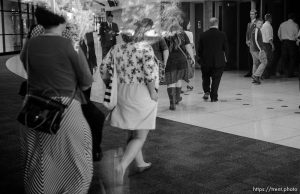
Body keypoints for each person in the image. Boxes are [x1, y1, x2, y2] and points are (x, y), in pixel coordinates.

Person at [19, 6, 93, 193]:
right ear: (63, 19)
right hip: (64, 112)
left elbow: (28, 69)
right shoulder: (70, 44)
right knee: (76, 164)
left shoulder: (31, 44)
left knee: (39, 164)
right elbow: (86, 82)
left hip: (33, 109)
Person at [100, 18, 159, 184]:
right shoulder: (144, 48)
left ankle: (140, 162)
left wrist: (112, 86)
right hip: (141, 93)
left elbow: (103, 70)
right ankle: (122, 166)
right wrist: (153, 93)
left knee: (132, 129)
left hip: (123, 93)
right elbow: (148, 74)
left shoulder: (116, 48)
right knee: (140, 135)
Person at [164, 20, 195, 110]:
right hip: (182, 60)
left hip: (170, 61)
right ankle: (177, 98)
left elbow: (163, 49)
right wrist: (192, 58)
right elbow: (188, 46)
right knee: (178, 79)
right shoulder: (182, 34)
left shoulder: (165, 36)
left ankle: (172, 103)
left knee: (171, 81)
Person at [198, 17, 228, 102]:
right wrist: (226, 58)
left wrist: (201, 59)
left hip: (205, 61)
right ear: (217, 24)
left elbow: (199, 49)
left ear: (209, 24)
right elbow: (226, 48)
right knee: (216, 79)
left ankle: (206, 91)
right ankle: (214, 97)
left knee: (205, 77)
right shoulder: (222, 34)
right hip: (218, 61)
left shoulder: (203, 35)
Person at [142, 18, 169, 85]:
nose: (144, 27)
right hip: (144, 64)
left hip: (155, 63)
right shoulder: (140, 36)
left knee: (153, 84)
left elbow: (165, 49)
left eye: (145, 26)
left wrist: (164, 63)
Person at [277, 13, 299, 77]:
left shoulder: (282, 24)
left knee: (283, 57)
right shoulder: (295, 25)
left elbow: (278, 34)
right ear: (294, 18)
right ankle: (290, 73)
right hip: (292, 43)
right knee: (292, 58)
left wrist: (281, 39)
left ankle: (279, 71)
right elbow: (297, 35)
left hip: (284, 42)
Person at [251, 18, 268, 84]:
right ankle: (256, 75)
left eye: (261, 23)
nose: (260, 25)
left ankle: (255, 78)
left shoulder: (255, 29)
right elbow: (255, 40)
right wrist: (260, 49)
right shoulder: (257, 30)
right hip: (258, 49)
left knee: (255, 63)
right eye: (259, 23)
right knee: (264, 62)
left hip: (253, 49)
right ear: (255, 23)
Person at [261, 13, 275, 79]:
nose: (272, 19)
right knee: (269, 60)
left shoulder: (263, 25)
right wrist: (272, 45)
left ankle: (263, 74)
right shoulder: (268, 26)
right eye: (271, 18)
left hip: (262, 44)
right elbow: (269, 37)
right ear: (269, 18)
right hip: (267, 45)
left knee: (265, 59)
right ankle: (265, 74)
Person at [183, 20, 196, 91]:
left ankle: (179, 87)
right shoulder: (189, 33)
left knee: (182, 70)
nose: (190, 25)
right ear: (186, 25)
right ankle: (189, 85)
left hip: (181, 53)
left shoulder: (180, 33)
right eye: (189, 24)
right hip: (188, 53)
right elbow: (191, 45)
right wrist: (193, 54)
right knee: (189, 69)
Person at [245, 9, 258, 77]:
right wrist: (247, 41)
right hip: (249, 43)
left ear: (256, 15)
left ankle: (255, 73)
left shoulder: (257, 23)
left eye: (252, 14)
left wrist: (251, 41)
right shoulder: (249, 24)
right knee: (249, 58)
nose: (251, 15)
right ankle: (250, 71)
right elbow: (247, 33)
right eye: (250, 14)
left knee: (255, 59)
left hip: (254, 43)